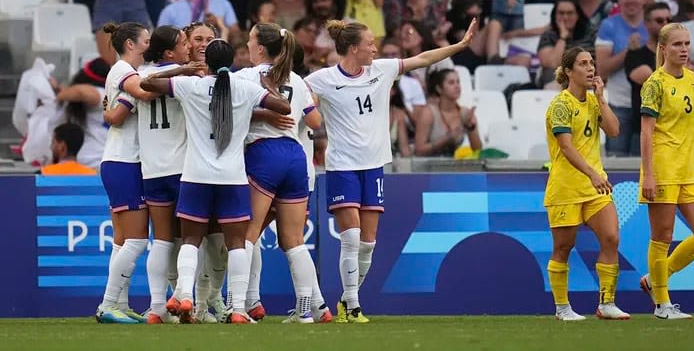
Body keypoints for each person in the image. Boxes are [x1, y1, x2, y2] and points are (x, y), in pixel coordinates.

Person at [304, 16, 478, 322]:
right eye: (370, 43)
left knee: (368, 244)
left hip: (374, 166)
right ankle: (355, 306)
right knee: (351, 236)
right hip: (342, 166)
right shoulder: (323, 79)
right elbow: (297, 97)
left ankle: (347, 299)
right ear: (354, 48)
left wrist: (460, 46)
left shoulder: (382, 70)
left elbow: (423, 59)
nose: (375, 48)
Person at [140, 38, 291, 324]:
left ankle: (184, 294)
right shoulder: (245, 88)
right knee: (235, 243)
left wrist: (181, 70)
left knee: (190, 240)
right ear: (233, 60)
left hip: (196, 175)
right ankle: (237, 310)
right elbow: (283, 107)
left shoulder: (191, 86)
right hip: (232, 178)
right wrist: (266, 83)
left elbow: (148, 83)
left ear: (205, 61)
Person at [237, 23, 330, 324]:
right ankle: (305, 311)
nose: (247, 45)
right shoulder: (298, 80)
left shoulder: (246, 76)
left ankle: (238, 306)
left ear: (260, 48)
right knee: (294, 240)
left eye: (250, 40)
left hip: (264, 153)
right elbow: (315, 122)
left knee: (247, 235)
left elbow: (225, 109)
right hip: (296, 159)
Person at [638, 22, 694, 320]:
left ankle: (655, 279)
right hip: (662, 168)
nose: (684, 49)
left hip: (689, 169)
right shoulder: (654, 84)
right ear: (663, 49)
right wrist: (648, 174)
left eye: (687, 44)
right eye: (677, 44)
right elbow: (646, 133)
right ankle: (662, 305)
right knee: (662, 235)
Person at [544, 47, 628, 321]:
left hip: (595, 188)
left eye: (591, 62)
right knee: (563, 248)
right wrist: (592, 173)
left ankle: (606, 303)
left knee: (611, 238)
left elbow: (614, 131)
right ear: (569, 72)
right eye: (583, 64)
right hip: (567, 187)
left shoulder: (593, 102)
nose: (590, 68)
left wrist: (602, 99)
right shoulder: (560, 105)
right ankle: (562, 308)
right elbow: (566, 147)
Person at [96, 21, 155, 325]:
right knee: (136, 240)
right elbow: (142, 95)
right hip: (125, 162)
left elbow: (116, 113)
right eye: (146, 40)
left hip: (118, 160)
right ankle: (107, 305)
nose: (150, 44)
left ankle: (119, 303)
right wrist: (181, 74)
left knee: (121, 241)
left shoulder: (122, 73)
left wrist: (110, 112)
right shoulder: (123, 71)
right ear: (130, 44)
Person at [136, 26, 191, 324]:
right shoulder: (186, 76)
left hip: (153, 169)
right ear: (170, 52)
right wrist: (187, 69)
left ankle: (157, 306)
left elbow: (141, 89)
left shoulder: (141, 74)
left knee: (162, 240)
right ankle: (184, 298)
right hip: (183, 170)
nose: (187, 49)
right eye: (183, 44)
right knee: (187, 240)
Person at [595, 0, 649, 156]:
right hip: (619, 105)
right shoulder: (608, 25)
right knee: (616, 161)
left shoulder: (653, 24)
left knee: (644, 162)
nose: (631, 0)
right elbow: (601, 69)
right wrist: (629, 51)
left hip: (648, 105)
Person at [624, 2, 671, 156]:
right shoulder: (636, 54)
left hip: (673, 132)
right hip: (644, 132)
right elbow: (651, 80)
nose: (665, 24)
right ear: (647, 24)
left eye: (668, 20)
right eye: (659, 21)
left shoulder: (679, 56)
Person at [53, 58, 111, 169]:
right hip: (84, 164)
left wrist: (59, 95)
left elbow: (82, 92)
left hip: (96, 162)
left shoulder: (104, 94)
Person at [414, 68, 481, 157]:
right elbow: (419, 150)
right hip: (428, 166)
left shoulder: (465, 113)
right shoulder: (429, 113)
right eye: (451, 83)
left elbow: (477, 150)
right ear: (439, 89)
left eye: (458, 82)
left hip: (453, 165)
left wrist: (471, 128)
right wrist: (446, 139)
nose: (457, 86)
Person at [537, 0, 593, 89]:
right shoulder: (548, 36)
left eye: (570, 13)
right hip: (557, 83)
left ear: (577, 15)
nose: (565, 17)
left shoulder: (590, 35)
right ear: (555, 16)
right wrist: (562, 37)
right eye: (561, 13)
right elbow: (552, 64)